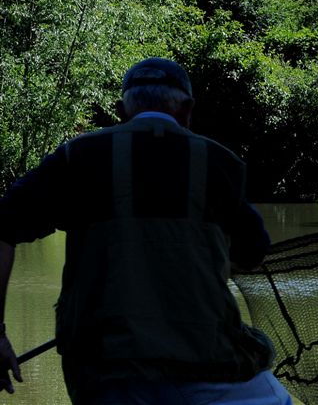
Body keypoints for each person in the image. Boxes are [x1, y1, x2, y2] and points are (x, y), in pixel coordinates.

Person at [0, 58, 292, 404]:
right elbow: (252, 253)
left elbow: (3, 227)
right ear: (187, 108)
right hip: (210, 362)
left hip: (103, 370)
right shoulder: (220, 163)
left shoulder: (77, 157)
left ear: (123, 109)